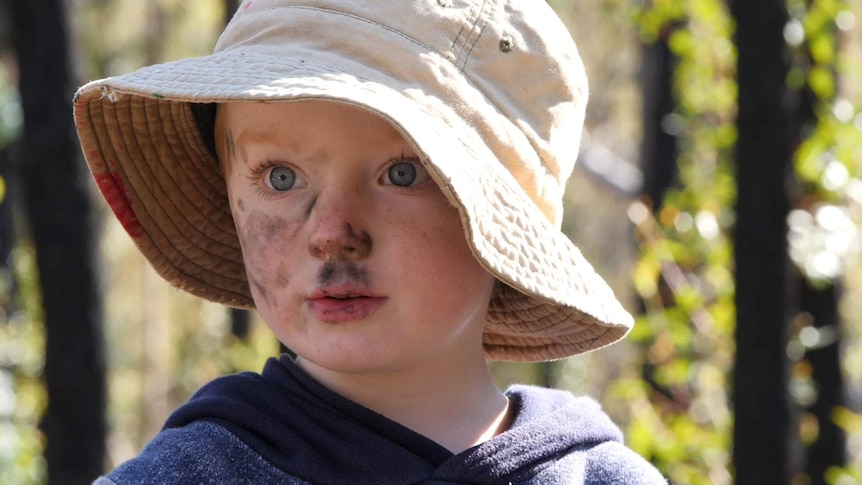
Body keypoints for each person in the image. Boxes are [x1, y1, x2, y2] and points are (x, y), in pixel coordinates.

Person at [73, 0, 667, 483]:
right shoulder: (188, 476)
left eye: (403, 174)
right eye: (281, 178)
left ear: (504, 222)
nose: (333, 235)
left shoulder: (602, 477)